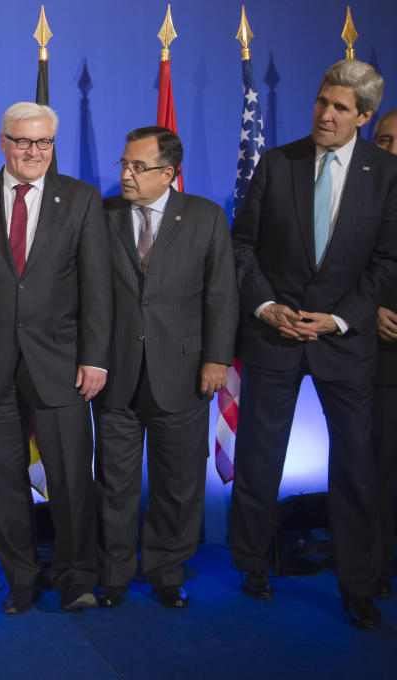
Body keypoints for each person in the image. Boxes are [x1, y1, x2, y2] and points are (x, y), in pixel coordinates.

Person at [230, 60, 397, 630]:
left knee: (356, 466)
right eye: (323, 101)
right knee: (258, 454)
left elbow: (387, 261)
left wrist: (340, 320)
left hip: (344, 343)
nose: (326, 114)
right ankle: (252, 563)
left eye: (341, 108)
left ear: (365, 116)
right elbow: (242, 247)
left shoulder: (387, 173)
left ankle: (358, 581)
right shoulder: (278, 163)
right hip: (273, 334)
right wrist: (266, 306)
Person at [0, 102, 112, 614]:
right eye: (22, 142)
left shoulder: (82, 199)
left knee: (70, 480)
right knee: (3, 481)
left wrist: (95, 357)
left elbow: (97, 285)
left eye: (43, 142)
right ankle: (21, 578)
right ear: (3, 142)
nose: (33, 152)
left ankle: (75, 577)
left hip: (62, 365)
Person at [95, 127, 238, 609]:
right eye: (124, 164)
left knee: (177, 482)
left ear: (169, 173)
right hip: (116, 375)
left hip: (183, 372)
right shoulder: (103, 215)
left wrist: (217, 358)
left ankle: (166, 570)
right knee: (114, 484)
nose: (125, 175)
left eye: (138, 167)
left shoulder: (205, 217)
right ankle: (114, 573)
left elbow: (221, 293)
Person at [371, 108, 397, 600]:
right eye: (383, 141)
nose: (388, 150)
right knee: (374, 470)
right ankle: (373, 567)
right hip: (378, 359)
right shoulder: (362, 200)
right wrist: (365, 310)